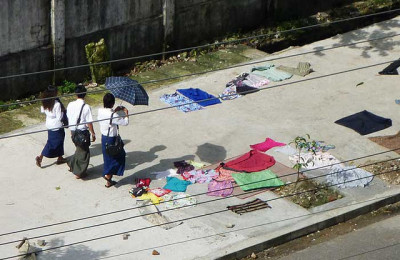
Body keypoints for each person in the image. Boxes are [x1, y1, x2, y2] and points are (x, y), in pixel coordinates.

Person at [97, 93, 129, 187]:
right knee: (118, 157)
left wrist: (114, 111)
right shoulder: (113, 115)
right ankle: (107, 176)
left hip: (104, 137)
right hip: (112, 139)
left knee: (108, 159)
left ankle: (108, 179)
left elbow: (109, 118)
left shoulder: (100, 111)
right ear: (113, 103)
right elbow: (125, 123)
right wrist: (126, 113)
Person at [66, 84, 96, 178]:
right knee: (84, 153)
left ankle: (72, 164)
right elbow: (89, 122)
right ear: (85, 94)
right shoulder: (86, 107)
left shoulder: (70, 104)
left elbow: (69, 117)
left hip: (73, 132)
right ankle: (79, 172)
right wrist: (93, 133)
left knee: (79, 150)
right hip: (82, 132)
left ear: (76, 94)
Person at [35, 87, 67, 167]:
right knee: (55, 142)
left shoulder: (45, 101)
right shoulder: (57, 104)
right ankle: (41, 156)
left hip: (49, 124)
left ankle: (60, 157)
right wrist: (63, 112)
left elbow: (43, 110)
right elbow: (60, 117)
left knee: (53, 141)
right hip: (57, 125)